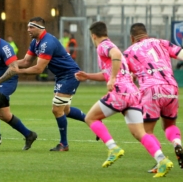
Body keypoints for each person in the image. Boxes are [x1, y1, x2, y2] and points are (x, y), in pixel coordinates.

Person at [74, 21, 173, 178]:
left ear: (93, 36)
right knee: (139, 133)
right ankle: (162, 160)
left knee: (91, 118)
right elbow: (108, 71)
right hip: (133, 93)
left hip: (120, 92)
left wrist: (112, 79)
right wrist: (88, 76)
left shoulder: (104, 46)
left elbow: (116, 55)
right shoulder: (112, 48)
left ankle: (112, 147)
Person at [123, 23, 183, 173]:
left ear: (132, 38)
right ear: (146, 34)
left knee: (146, 131)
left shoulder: (128, 53)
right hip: (171, 88)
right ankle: (177, 143)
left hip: (151, 89)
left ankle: (161, 160)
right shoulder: (162, 43)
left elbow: (126, 76)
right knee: (169, 125)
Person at [13, 17, 87, 151]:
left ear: (41, 28)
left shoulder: (47, 43)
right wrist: (8, 63)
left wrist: (16, 72)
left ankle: (64, 144)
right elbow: (26, 61)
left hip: (70, 75)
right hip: (61, 76)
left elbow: (38, 69)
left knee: (57, 109)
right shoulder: (35, 42)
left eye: (32, 27)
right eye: (28, 27)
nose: (28, 29)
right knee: (65, 110)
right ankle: (92, 120)